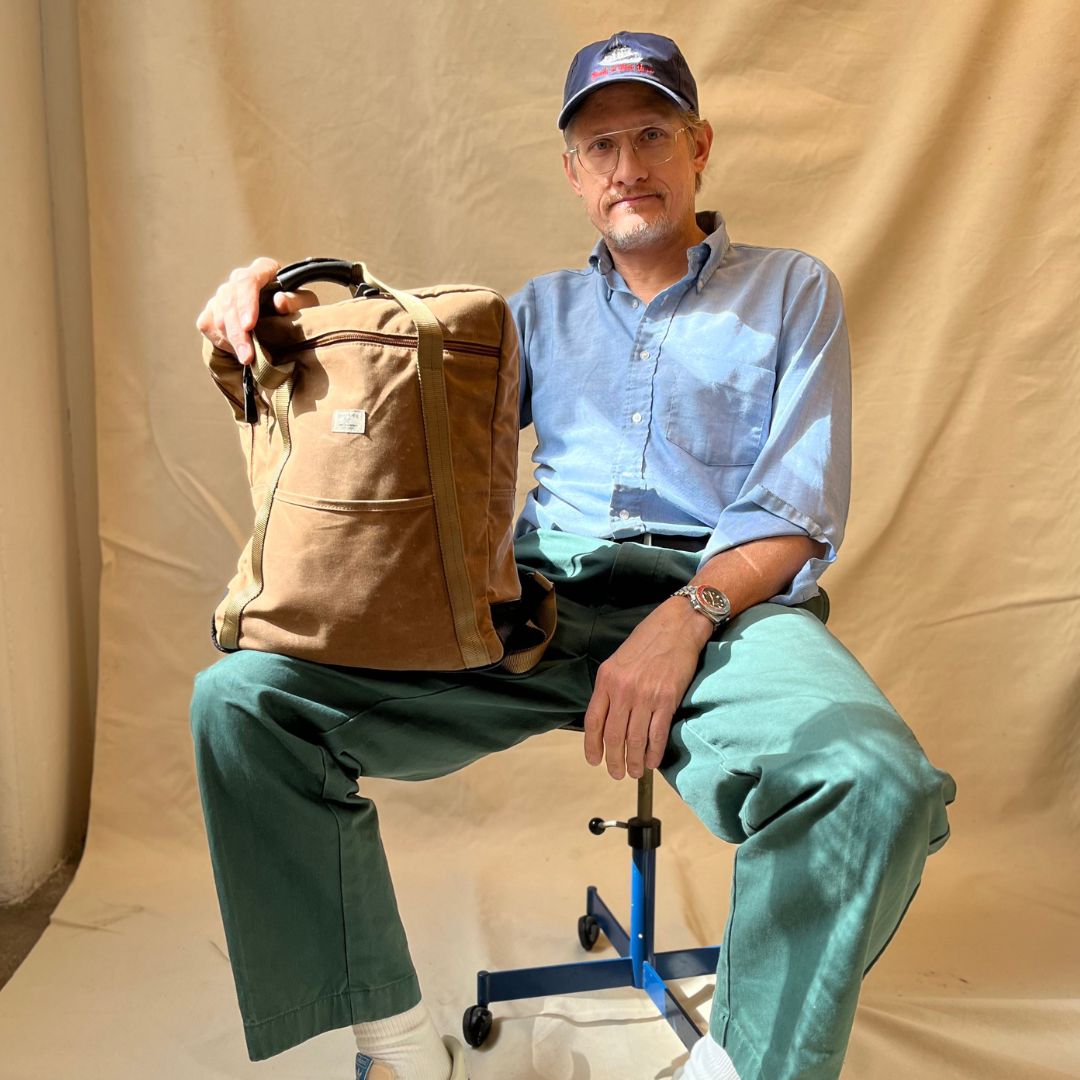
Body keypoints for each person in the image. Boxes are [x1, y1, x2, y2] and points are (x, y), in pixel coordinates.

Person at [191, 31, 956, 1080]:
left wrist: (683, 621)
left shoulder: (793, 294)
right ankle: (400, 1050)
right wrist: (272, 316)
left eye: (650, 135)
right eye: (599, 146)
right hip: (537, 603)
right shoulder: (529, 317)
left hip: (725, 608)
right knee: (242, 705)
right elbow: (396, 412)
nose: (627, 166)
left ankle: (737, 1064)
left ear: (700, 147)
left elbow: (793, 511)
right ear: (572, 173)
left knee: (878, 782)